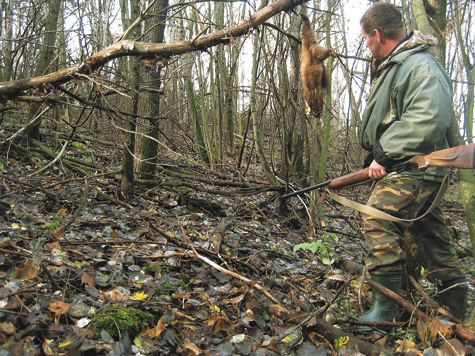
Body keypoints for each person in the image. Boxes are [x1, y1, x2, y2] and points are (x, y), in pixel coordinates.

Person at [358, 2, 468, 324]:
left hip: (418, 168)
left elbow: (428, 117)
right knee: (429, 237)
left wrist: (386, 152)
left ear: (377, 34)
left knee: (376, 218)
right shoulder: (399, 63)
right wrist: (378, 151)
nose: (366, 45)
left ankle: (386, 310)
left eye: (366, 38)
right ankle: (454, 311)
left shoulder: (421, 66)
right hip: (409, 166)